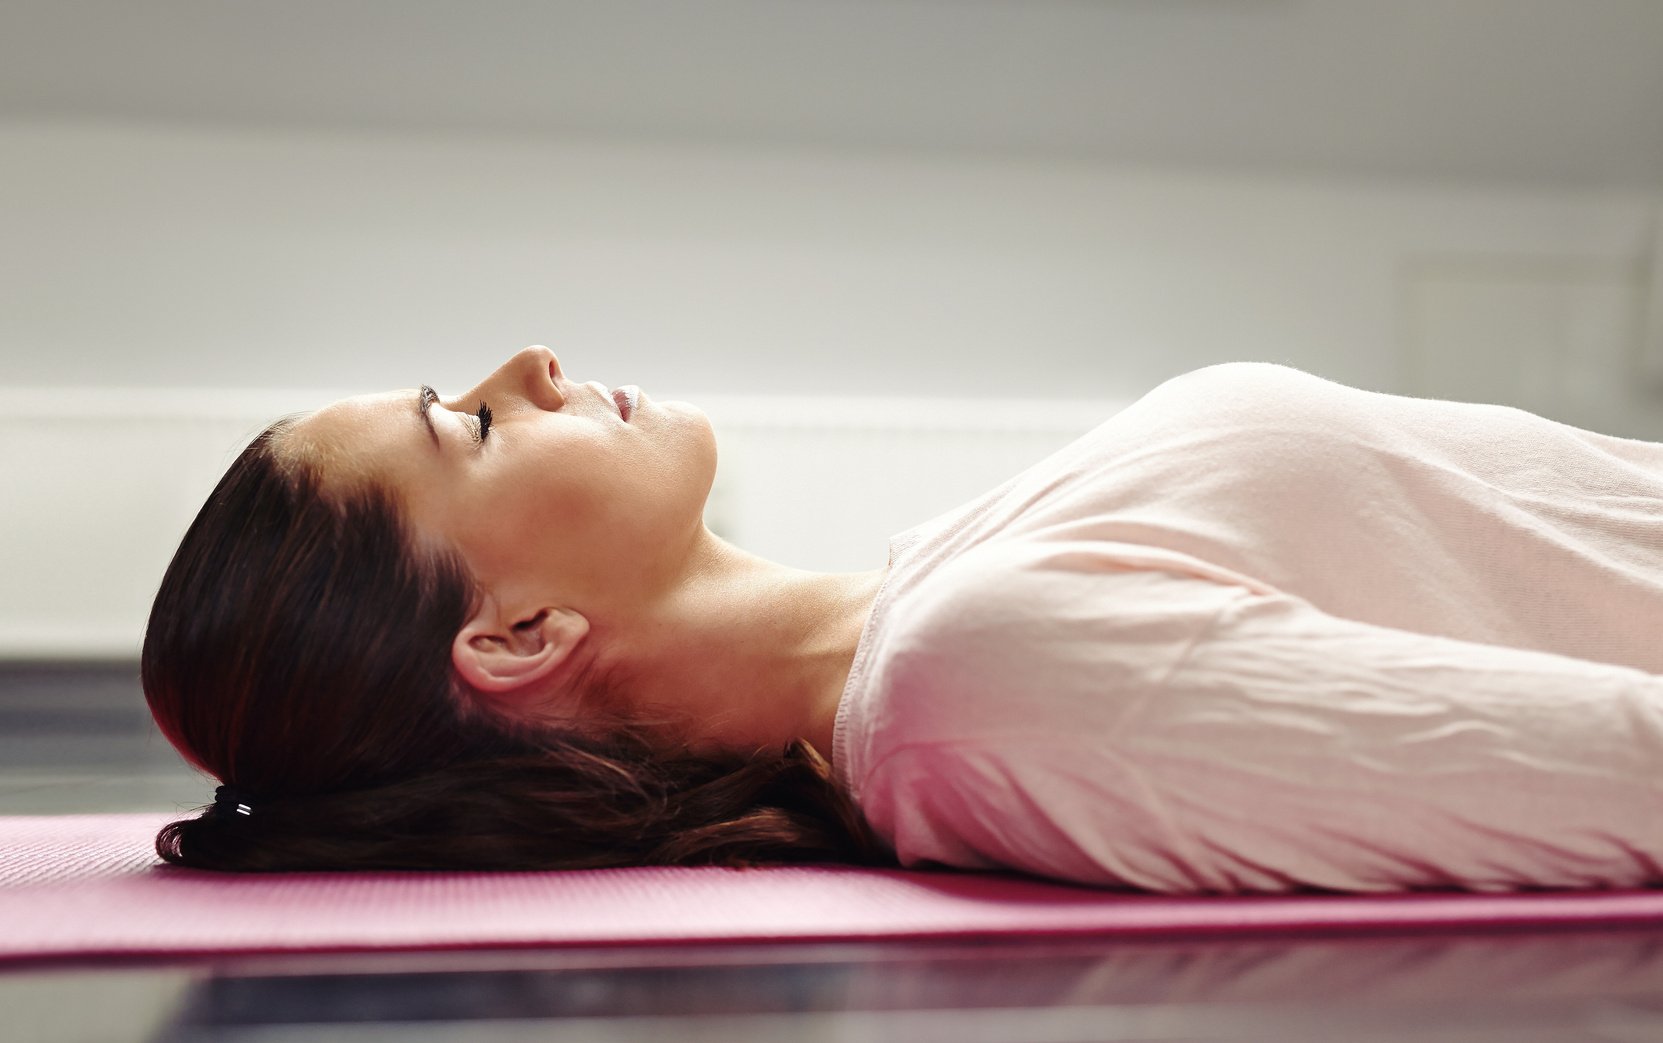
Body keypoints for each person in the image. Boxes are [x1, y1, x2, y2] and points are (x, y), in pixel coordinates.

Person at [144, 347, 1663, 894]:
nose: (529, 361)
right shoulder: (983, 686)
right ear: (522, 634)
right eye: (464, 426)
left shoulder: (933, 586)